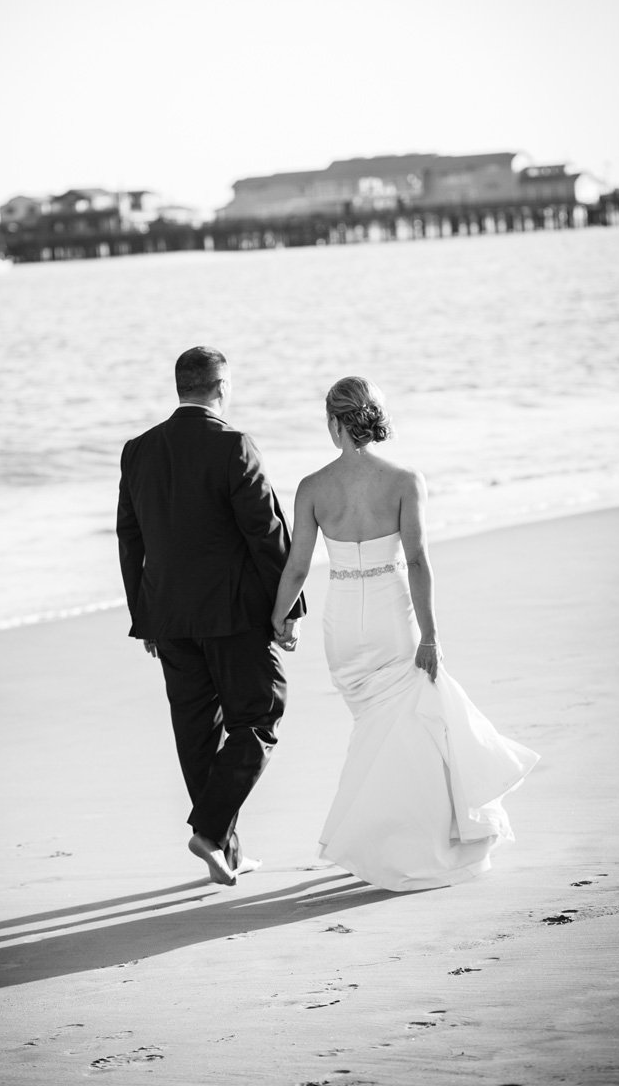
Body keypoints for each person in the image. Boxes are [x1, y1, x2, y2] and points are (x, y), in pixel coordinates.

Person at [271, 375, 539, 891]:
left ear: (333, 422)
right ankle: (415, 839)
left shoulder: (312, 487)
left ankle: (384, 840)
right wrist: (431, 637)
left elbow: (297, 569)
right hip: (395, 616)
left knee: (373, 727)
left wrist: (278, 618)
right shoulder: (404, 480)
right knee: (409, 723)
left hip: (344, 622)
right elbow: (416, 560)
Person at [117, 346, 306, 886]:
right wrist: (287, 608)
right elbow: (266, 534)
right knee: (262, 714)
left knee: (198, 732)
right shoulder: (233, 445)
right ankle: (209, 828)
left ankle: (224, 847)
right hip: (232, 617)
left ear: (180, 386)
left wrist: (144, 616)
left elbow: (129, 539)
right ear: (221, 386)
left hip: (168, 618)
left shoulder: (138, 450)